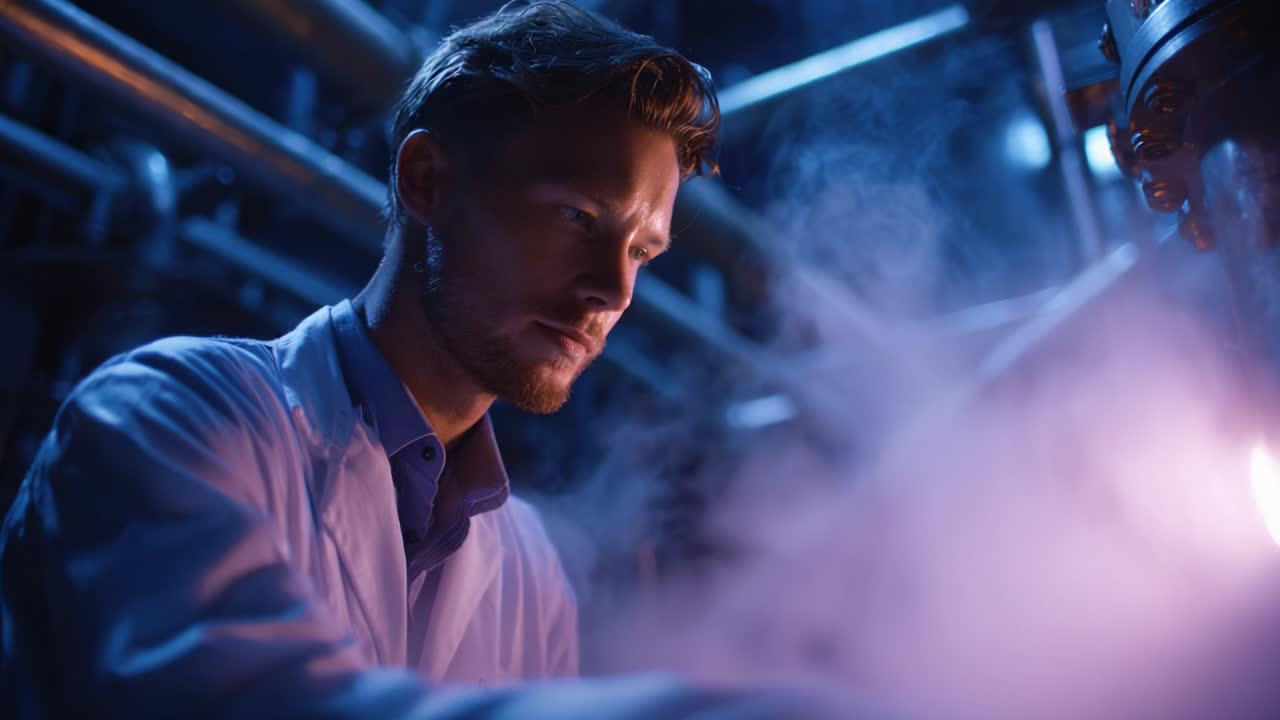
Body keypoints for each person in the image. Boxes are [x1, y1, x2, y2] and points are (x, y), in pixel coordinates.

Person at [0, 2, 882, 719]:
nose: (613, 289)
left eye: (642, 251)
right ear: (426, 183)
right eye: (578, 218)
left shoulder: (531, 566)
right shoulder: (170, 416)